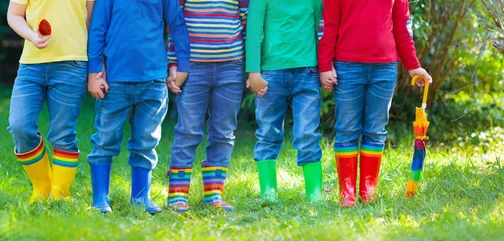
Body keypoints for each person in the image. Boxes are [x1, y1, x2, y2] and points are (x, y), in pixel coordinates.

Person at [318, 0, 432, 207]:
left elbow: (402, 27)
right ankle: (347, 192)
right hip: (347, 66)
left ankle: (368, 191)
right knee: (347, 128)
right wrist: (325, 66)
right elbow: (329, 25)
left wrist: (413, 66)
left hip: (385, 68)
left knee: (376, 129)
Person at [86, 0, 191, 214]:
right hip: (114, 80)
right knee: (105, 139)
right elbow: (97, 29)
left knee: (146, 141)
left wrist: (183, 65)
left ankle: (141, 198)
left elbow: (177, 24)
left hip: (152, 80)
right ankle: (100, 200)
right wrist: (94, 71)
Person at [6, 0, 94, 203]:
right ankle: (41, 188)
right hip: (31, 65)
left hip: (72, 64)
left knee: (63, 133)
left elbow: (90, 21)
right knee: (19, 126)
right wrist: (32, 36)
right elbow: (14, 15)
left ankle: (60, 195)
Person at [165, 0, 249, 213]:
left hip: (232, 66)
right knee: (188, 130)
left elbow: (248, 24)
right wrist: (174, 64)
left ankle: (214, 193)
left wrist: (252, 68)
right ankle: (178, 194)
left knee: (223, 131)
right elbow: (177, 25)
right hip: (192, 67)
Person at [246, 0, 324, 203]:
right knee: (268, 132)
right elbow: (254, 32)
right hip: (271, 74)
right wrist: (253, 72)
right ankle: (268, 193)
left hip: (307, 71)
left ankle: (315, 194)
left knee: (307, 133)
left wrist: (324, 67)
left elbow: (318, 28)